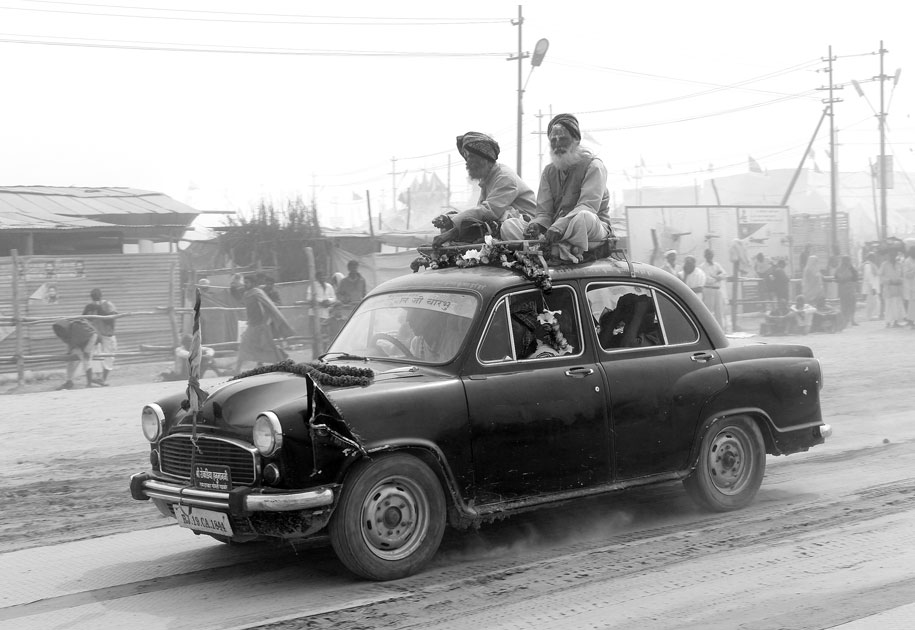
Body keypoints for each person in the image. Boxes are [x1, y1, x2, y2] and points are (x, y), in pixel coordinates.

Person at [517, 113, 613, 263]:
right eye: (553, 140)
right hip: (555, 230)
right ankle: (561, 248)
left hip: (592, 230)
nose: (558, 144)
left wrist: (560, 225)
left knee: (583, 218)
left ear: (576, 140)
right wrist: (537, 225)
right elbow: (544, 212)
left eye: (563, 139)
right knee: (511, 225)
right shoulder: (549, 172)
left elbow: (588, 206)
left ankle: (563, 249)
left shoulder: (594, 166)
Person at [434, 132, 536, 246]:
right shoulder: (488, 179)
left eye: (471, 157)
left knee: (507, 226)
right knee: (452, 224)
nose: (467, 162)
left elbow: (488, 211)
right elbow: (480, 213)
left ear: (485, 158)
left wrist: (453, 223)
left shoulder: (504, 177)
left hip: (526, 228)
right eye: (466, 157)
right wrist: (448, 219)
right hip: (499, 226)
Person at [235, 275, 296, 373]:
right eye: (244, 282)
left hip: (261, 325)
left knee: (269, 347)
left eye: (247, 282)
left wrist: (265, 321)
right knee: (244, 346)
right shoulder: (246, 293)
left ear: (253, 283)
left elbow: (269, 306)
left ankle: (285, 362)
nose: (245, 284)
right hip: (252, 325)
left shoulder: (258, 293)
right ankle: (236, 369)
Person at [82, 288, 118, 385]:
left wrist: (99, 309)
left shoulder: (107, 304)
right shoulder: (91, 306)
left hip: (107, 334)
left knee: (109, 356)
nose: (95, 301)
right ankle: (90, 381)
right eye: (94, 299)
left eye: (96, 298)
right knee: (89, 355)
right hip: (95, 335)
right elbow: (83, 319)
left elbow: (111, 320)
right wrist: (87, 310)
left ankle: (102, 379)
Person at [51, 317, 99, 389]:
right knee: (71, 361)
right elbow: (71, 342)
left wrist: (87, 350)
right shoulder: (66, 332)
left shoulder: (78, 328)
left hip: (90, 341)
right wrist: (69, 353)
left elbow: (93, 335)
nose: (59, 331)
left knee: (86, 360)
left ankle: (89, 383)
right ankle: (69, 382)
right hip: (79, 345)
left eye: (60, 329)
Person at [304, 270, 338, 341]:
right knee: (315, 336)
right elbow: (309, 298)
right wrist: (321, 301)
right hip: (314, 314)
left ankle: (325, 351)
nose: (322, 277)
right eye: (320, 276)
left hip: (325, 314)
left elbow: (334, 298)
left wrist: (328, 301)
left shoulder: (329, 286)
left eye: (324, 276)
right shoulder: (312, 286)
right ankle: (316, 351)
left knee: (325, 336)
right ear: (317, 277)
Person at [700, 248, 727, 329]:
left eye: (711, 254)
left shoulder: (717, 265)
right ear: (705, 256)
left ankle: (720, 330)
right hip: (708, 290)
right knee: (709, 311)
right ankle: (708, 329)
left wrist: (715, 277)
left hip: (717, 290)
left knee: (719, 311)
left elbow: (725, 274)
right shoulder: (702, 266)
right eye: (708, 254)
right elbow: (707, 280)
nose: (710, 256)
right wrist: (718, 277)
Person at [880, 251, 906, 328]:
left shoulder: (899, 264)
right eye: (890, 255)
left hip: (897, 288)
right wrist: (889, 281)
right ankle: (888, 322)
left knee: (897, 305)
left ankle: (895, 322)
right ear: (888, 255)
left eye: (894, 255)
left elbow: (902, 275)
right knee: (888, 306)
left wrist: (900, 280)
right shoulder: (884, 265)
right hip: (888, 288)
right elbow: (881, 276)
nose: (892, 256)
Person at [833, 255, 859, 327]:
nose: (847, 262)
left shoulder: (851, 268)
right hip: (843, 290)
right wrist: (843, 279)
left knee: (852, 305)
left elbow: (856, 277)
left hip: (851, 289)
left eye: (848, 260)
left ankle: (852, 320)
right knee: (844, 305)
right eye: (846, 260)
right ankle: (845, 321)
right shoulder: (839, 269)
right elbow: (836, 278)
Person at [862, 253, 881, 321]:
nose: (875, 258)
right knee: (872, 302)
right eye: (874, 257)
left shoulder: (872, 265)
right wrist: (873, 287)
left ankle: (871, 316)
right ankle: (870, 316)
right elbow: (868, 277)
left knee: (873, 302)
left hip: (873, 286)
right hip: (871, 287)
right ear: (870, 258)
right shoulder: (868, 265)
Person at [903, 247, 915, 327]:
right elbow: (906, 274)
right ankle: (911, 320)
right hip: (911, 286)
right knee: (912, 305)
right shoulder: (907, 261)